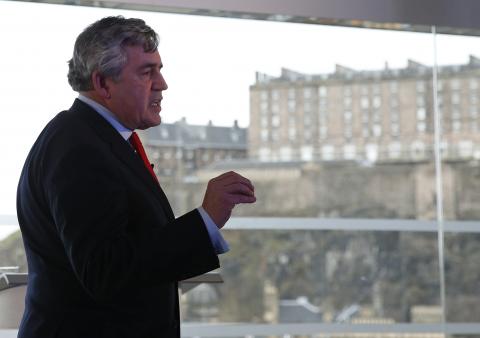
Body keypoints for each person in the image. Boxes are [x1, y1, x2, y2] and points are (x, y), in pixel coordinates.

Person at [16, 16, 256, 338]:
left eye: (159, 69)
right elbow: (105, 271)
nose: (162, 84)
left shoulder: (91, 137)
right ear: (103, 84)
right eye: (147, 72)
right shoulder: (79, 149)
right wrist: (205, 220)